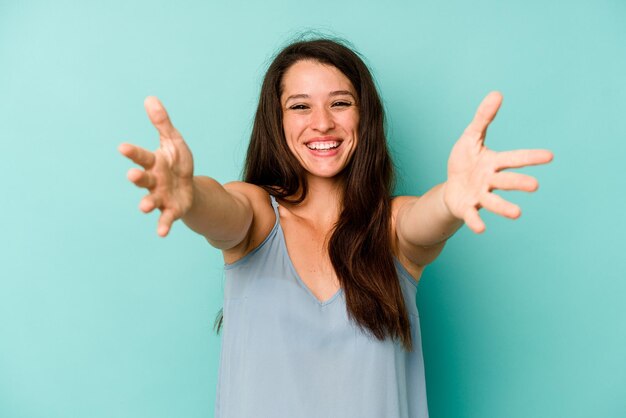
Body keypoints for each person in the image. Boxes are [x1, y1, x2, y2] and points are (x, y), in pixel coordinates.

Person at [118, 38, 553, 418]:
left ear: (365, 117)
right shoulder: (257, 214)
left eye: (340, 102)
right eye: (300, 105)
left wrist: (451, 198)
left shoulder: (393, 229)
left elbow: (428, 217)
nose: (322, 122)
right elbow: (223, 209)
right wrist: (190, 195)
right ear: (278, 121)